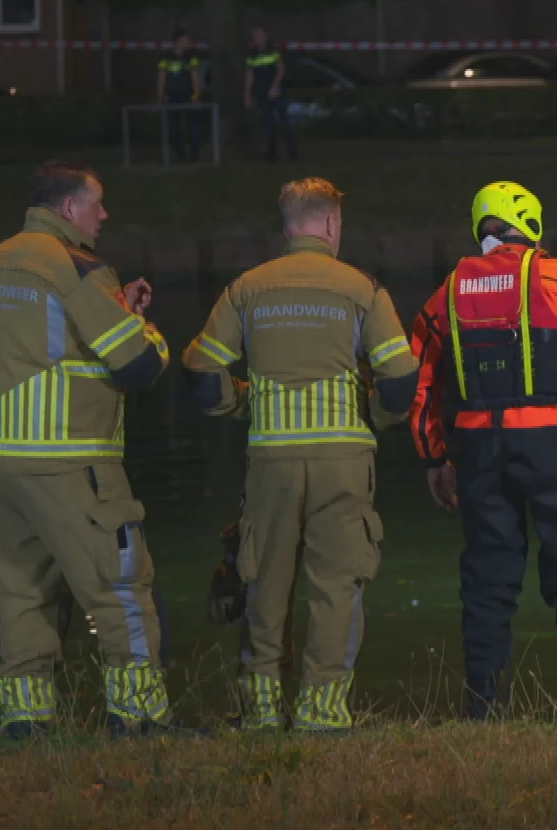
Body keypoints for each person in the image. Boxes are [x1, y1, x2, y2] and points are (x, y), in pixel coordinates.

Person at [180, 178, 418, 732]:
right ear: (331, 223)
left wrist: (242, 404)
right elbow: (400, 380)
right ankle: (323, 712)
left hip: (272, 462)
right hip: (343, 461)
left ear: (288, 225)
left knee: (264, 584)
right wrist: (374, 415)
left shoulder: (246, 289)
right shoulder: (363, 289)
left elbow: (201, 372)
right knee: (337, 587)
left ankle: (262, 712)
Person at [410, 182, 557, 720]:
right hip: (555, 446)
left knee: (487, 579)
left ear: (480, 227)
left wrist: (434, 459)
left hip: (478, 451)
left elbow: (419, 383)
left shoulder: (447, 293)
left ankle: (481, 708)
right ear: (532, 224)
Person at [0, 161, 173, 739]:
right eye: (96, 203)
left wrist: (115, 308)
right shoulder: (79, 266)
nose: (103, 215)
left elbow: (46, 336)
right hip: (70, 458)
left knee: (23, 593)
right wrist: (143, 326)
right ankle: (139, 718)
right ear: (68, 208)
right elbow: (138, 365)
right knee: (120, 590)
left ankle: (25, 722)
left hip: (0, 462)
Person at [245, 27, 296, 164]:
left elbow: (281, 70)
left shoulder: (273, 50)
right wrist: (247, 94)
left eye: (260, 35)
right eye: (255, 35)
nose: (258, 38)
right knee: (268, 125)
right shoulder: (252, 54)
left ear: (265, 36)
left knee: (284, 123)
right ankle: (272, 156)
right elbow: (250, 75)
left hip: (277, 92)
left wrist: (275, 86)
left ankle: (292, 154)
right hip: (262, 93)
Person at [156, 30, 204, 161]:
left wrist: (196, 97)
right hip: (171, 97)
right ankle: (180, 155)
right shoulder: (165, 56)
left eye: (188, 40)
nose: (187, 42)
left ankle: (194, 154)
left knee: (193, 127)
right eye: (184, 40)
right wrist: (160, 96)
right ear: (177, 41)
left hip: (189, 96)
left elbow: (195, 76)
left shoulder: (192, 56)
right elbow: (161, 76)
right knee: (174, 128)